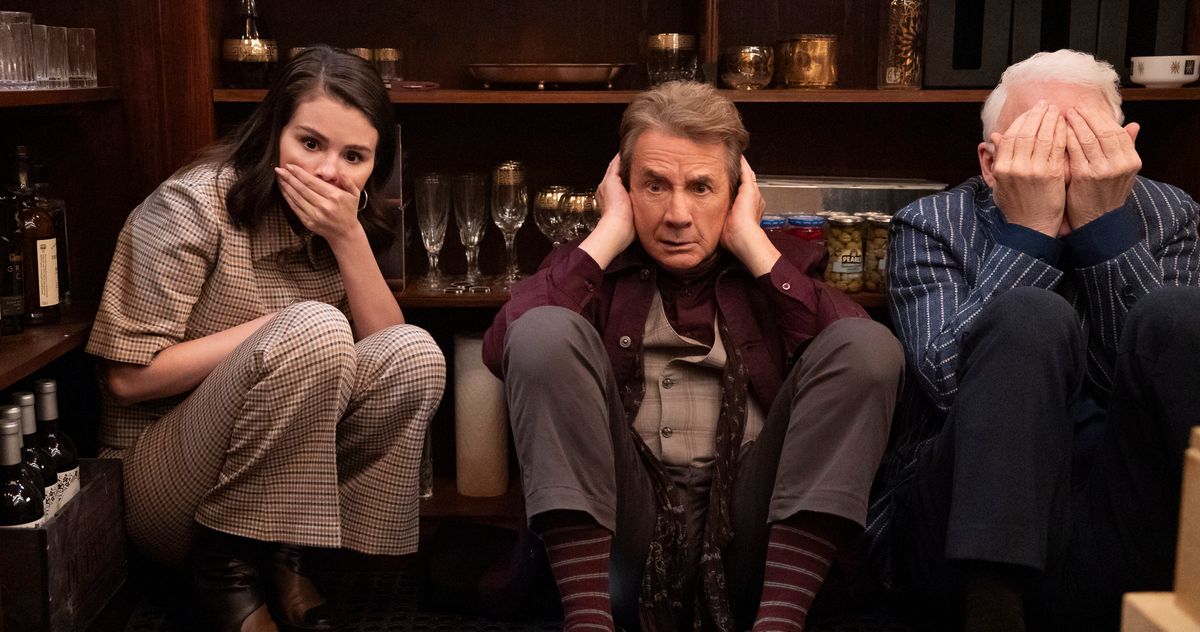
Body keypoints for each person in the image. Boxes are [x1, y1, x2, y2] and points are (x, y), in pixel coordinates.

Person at [482, 81, 903, 632]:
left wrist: (752, 241)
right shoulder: (588, 271)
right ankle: (587, 622)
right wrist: (609, 231)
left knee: (868, 345)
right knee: (543, 331)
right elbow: (506, 346)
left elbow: (867, 365)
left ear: (736, 194)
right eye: (655, 185)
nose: (677, 214)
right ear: (622, 189)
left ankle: (780, 624)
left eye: (702, 187)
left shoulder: (777, 270)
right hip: (621, 545)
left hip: (754, 544)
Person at [86, 45, 445, 632]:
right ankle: (226, 574)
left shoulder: (343, 222)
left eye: (354, 156)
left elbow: (389, 353)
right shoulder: (191, 203)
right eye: (310, 143)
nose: (329, 172)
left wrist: (349, 240)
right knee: (316, 327)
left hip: (284, 487)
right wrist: (275, 328)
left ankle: (289, 554)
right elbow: (126, 380)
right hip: (160, 481)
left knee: (414, 354)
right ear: (273, 133)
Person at [868, 49, 1200, 631]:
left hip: (1122, 514)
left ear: (1125, 146)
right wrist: (1029, 235)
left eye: (1086, 144)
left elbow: (1162, 383)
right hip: (961, 527)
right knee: (1030, 315)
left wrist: (1106, 231)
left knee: (1176, 314)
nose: (1062, 165)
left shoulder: (1172, 214)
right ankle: (993, 610)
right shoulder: (933, 223)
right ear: (990, 161)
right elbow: (947, 384)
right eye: (1037, 146)